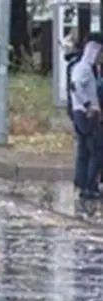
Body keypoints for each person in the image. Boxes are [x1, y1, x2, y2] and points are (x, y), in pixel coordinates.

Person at [69, 33, 103, 198]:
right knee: (96, 151)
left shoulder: (85, 68)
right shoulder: (84, 68)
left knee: (84, 150)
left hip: (81, 113)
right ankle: (90, 186)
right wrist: (89, 106)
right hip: (86, 114)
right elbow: (75, 86)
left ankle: (82, 184)